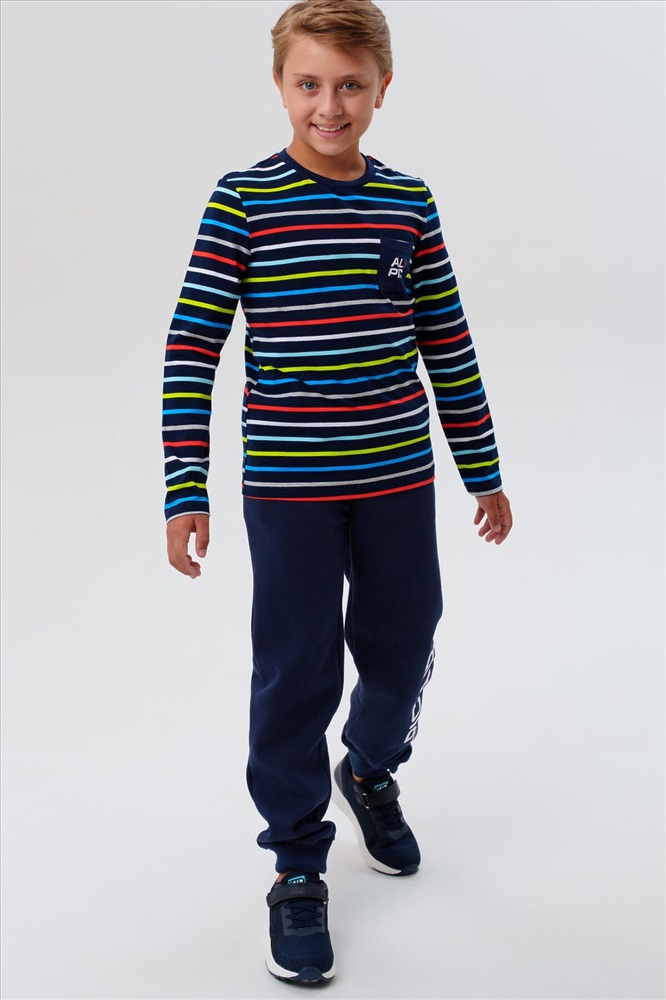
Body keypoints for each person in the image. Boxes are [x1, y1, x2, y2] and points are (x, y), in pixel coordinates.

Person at [162, 0, 513, 984]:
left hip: (397, 476)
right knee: (296, 666)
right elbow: (193, 346)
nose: (330, 105)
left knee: (405, 639)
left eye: (350, 84)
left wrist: (483, 470)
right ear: (280, 85)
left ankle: (367, 765)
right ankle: (296, 862)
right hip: (290, 489)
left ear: (382, 88)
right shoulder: (244, 201)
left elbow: (447, 342)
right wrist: (185, 486)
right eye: (309, 83)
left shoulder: (408, 202)